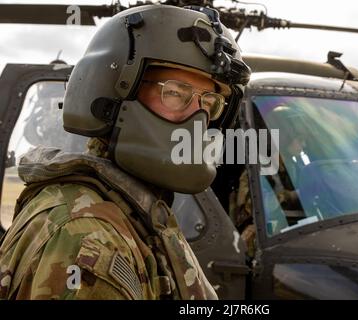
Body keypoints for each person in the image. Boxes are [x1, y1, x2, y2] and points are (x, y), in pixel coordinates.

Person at [0, 5, 250, 300]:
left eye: (209, 104)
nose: (197, 120)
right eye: (174, 93)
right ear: (113, 91)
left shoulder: (134, 209)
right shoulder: (88, 240)